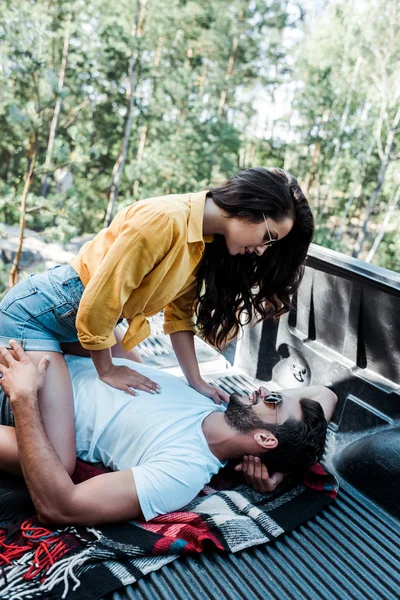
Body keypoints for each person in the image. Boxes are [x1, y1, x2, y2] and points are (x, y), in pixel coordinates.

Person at [0, 167, 314, 476]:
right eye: (268, 237)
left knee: (141, 373)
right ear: (250, 208)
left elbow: (179, 315)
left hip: (77, 321)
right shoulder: (164, 221)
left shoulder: (201, 237)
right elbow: (97, 307)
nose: (261, 250)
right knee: (58, 462)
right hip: (38, 317)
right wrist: (107, 370)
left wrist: (196, 380)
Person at [0, 341, 336, 525]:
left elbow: (62, 507)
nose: (263, 389)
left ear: (266, 439)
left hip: (23, 391)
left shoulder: (184, 470)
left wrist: (23, 397)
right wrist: (283, 469)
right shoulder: (210, 400)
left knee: (61, 465)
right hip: (44, 349)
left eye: (273, 400)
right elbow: (325, 395)